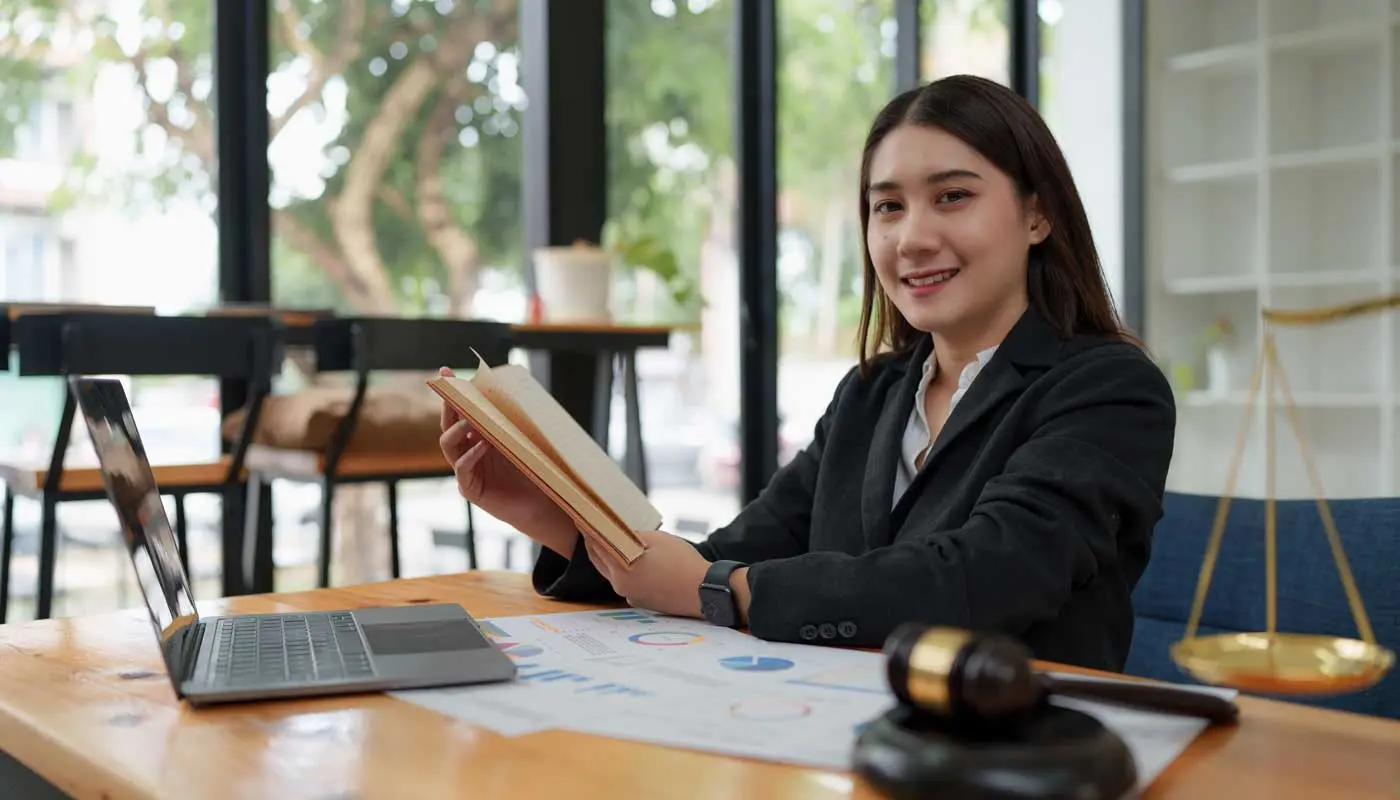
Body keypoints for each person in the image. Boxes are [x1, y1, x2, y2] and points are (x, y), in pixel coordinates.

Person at [438, 74, 1176, 672]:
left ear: (1038, 215)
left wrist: (717, 588)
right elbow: (730, 560)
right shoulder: (871, 396)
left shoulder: (1108, 389)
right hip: (847, 739)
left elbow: (979, 580)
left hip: (1020, 757)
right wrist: (551, 518)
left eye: (953, 195)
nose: (912, 237)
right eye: (887, 207)